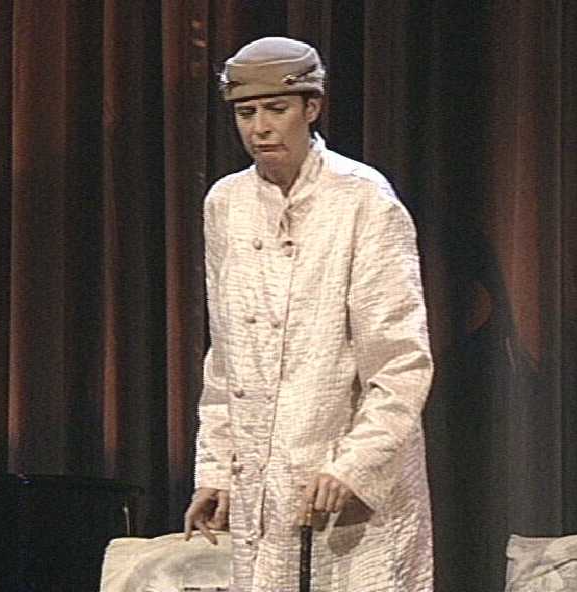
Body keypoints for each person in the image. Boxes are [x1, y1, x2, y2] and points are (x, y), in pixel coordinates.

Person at [183, 36, 434, 592]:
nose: (260, 128)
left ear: (311, 108)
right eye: (246, 113)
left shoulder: (363, 200)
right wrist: (218, 470)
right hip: (262, 487)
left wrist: (354, 465)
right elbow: (226, 358)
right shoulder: (226, 204)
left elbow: (400, 363)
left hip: (347, 491)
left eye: (276, 109)